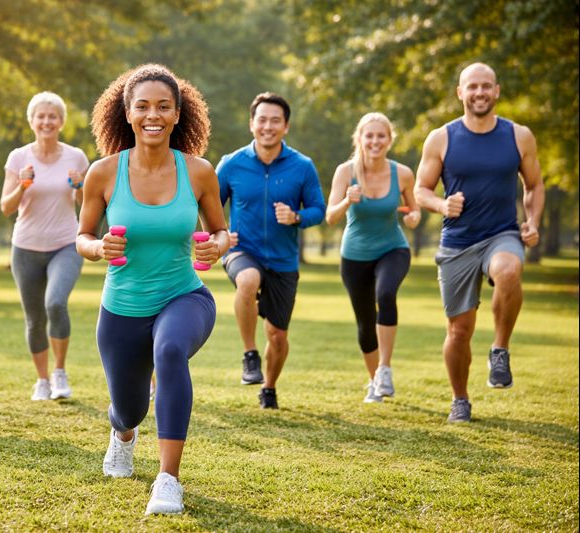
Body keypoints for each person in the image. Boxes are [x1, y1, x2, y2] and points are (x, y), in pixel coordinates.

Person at [76, 64, 228, 515]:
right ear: (126, 113)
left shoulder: (199, 172)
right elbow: (81, 237)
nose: (153, 115)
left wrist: (214, 248)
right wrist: (98, 245)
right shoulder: (103, 173)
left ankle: (168, 480)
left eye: (164, 106)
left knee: (169, 351)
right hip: (122, 308)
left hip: (185, 295)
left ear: (179, 114)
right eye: (142, 106)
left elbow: (220, 230)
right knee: (129, 409)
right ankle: (122, 433)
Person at [415, 62, 544, 423]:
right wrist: (442, 204)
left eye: (486, 86)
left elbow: (533, 185)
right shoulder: (442, 138)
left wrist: (532, 223)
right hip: (457, 241)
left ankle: (500, 349)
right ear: (460, 93)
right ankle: (460, 399)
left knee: (508, 269)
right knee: (459, 331)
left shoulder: (519, 136)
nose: (480, 92)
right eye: (472, 86)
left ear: (497, 91)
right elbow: (420, 190)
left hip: (501, 233)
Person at [216, 92, 325, 409]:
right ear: (252, 124)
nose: (267, 126)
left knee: (277, 335)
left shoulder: (302, 167)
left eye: (275, 120)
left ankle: (269, 386)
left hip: (282, 259)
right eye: (261, 119)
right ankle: (250, 354)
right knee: (247, 281)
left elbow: (319, 208)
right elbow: (208, 203)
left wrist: (297, 217)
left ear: (286, 126)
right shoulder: (231, 164)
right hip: (242, 250)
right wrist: (218, 232)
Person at [326, 112, 421, 403]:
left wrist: (414, 217)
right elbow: (330, 217)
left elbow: (414, 209)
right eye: (369, 136)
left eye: (381, 136)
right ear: (360, 139)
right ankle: (374, 382)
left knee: (386, 293)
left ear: (389, 140)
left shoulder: (402, 173)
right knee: (365, 323)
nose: (375, 141)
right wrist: (347, 200)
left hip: (393, 248)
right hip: (354, 256)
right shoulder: (346, 172)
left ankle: (385, 369)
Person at [0, 92, 89, 401]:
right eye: (41, 116)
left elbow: (89, 206)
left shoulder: (76, 157)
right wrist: (22, 185)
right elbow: (6, 207)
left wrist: (80, 187)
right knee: (35, 317)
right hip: (25, 247)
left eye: (53, 116)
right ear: (32, 121)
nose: (47, 121)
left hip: (65, 243)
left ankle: (60, 372)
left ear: (61, 122)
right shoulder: (18, 158)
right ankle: (42, 380)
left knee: (55, 303)